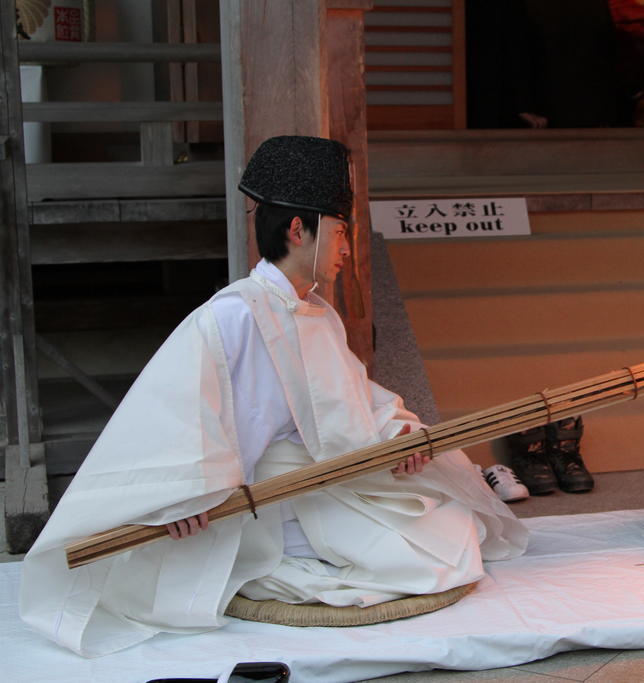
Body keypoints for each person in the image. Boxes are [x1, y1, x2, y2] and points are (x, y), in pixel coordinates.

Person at [19, 136, 528, 657]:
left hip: (328, 476)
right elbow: (176, 413)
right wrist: (188, 494)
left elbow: (355, 395)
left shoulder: (317, 313)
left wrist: (395, 435)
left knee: (451, 524)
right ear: (297, 230)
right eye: (340, 233)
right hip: (268, 494)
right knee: (426, 557)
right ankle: (270, 564)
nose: (347, 249)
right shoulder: (232, 314)